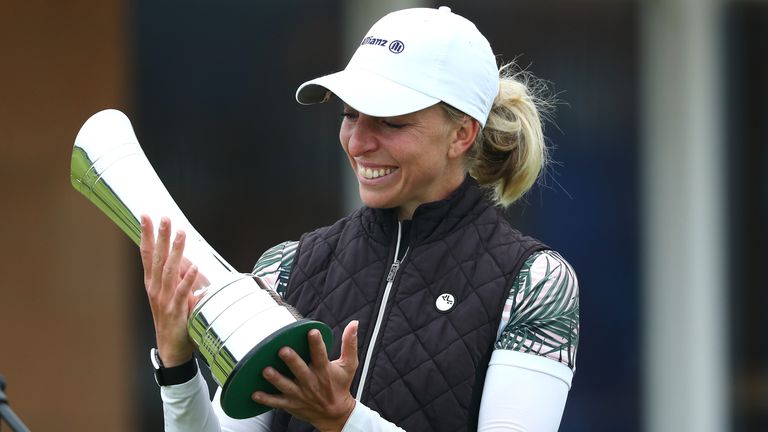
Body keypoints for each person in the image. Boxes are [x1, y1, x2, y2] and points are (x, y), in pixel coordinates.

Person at [140, 6, 579, 432]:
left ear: (461, 133)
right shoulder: (287, 269)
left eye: (390, 122)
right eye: (349, 115)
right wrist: (177, 365)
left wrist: (343, 420)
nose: (358, 141)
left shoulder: (534, 283)